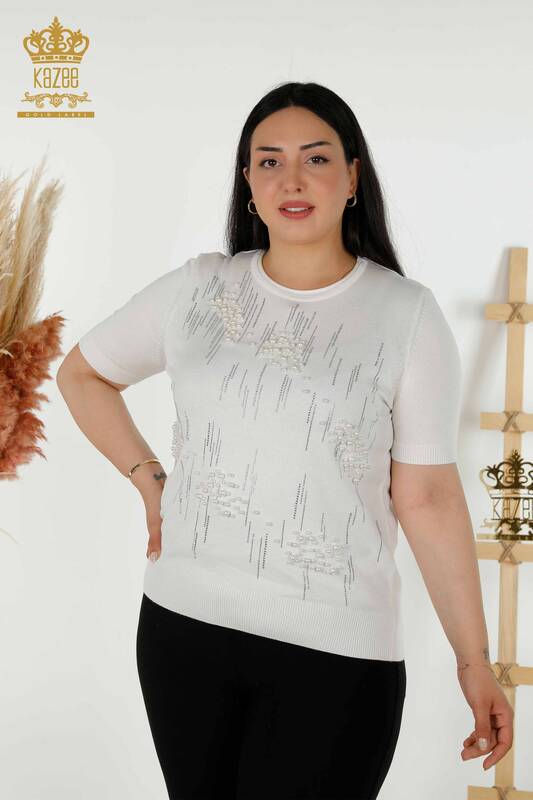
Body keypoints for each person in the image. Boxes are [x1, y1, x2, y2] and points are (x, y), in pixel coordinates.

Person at [57, 81, 513, 799]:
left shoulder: (405, 315)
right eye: (268, 161)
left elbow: (426, 496)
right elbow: (83, 374)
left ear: (353, 177)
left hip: (338, 653)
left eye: (315, 158)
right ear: (247, 182)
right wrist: (149, 478)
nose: (290, 180)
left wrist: (472, 659)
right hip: (184, 628)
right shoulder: (198, 288)